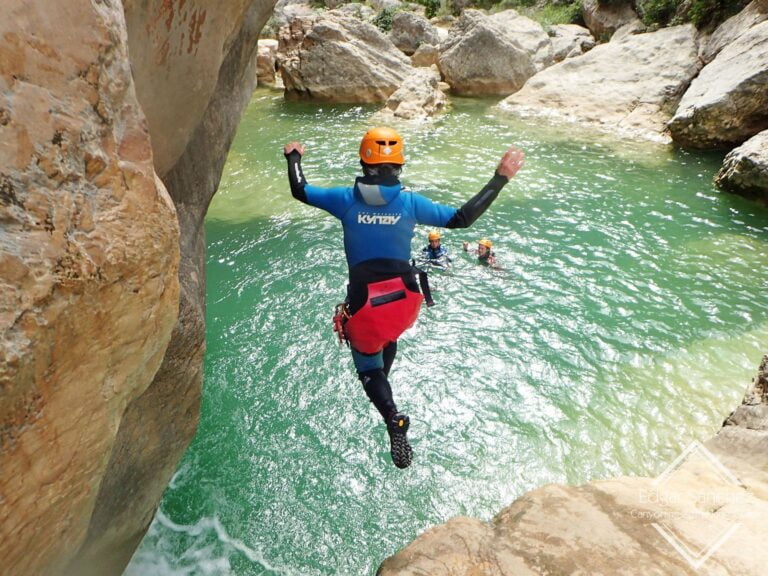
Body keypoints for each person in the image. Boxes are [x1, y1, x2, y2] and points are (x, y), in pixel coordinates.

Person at [284, 126, 524, 469]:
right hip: (407, 298)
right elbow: (462, 218)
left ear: (363, 162)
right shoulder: (410, 202)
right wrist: (499, 178)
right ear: (399, 165)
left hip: (365, 301)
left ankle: (392, 417)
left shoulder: (344, 200)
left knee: (368, 365)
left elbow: (300, 190)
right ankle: (385, 381)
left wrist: (294, 156)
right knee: (388, 335)